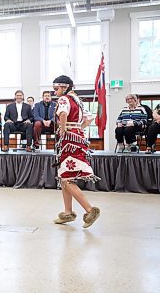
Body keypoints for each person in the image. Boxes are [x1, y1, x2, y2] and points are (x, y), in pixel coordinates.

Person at [52, 75, 100, 229]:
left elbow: (63, 114)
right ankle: (68, 212)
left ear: (65, 87)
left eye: (56, 89)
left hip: (69, 141)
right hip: (78, 138)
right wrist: (78, 128)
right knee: (64, 176)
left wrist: (63, 129)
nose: (55, 92)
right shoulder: (78, 101)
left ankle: (90, 210)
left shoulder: (65, 99)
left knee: (66, 179)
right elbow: (89, 118)